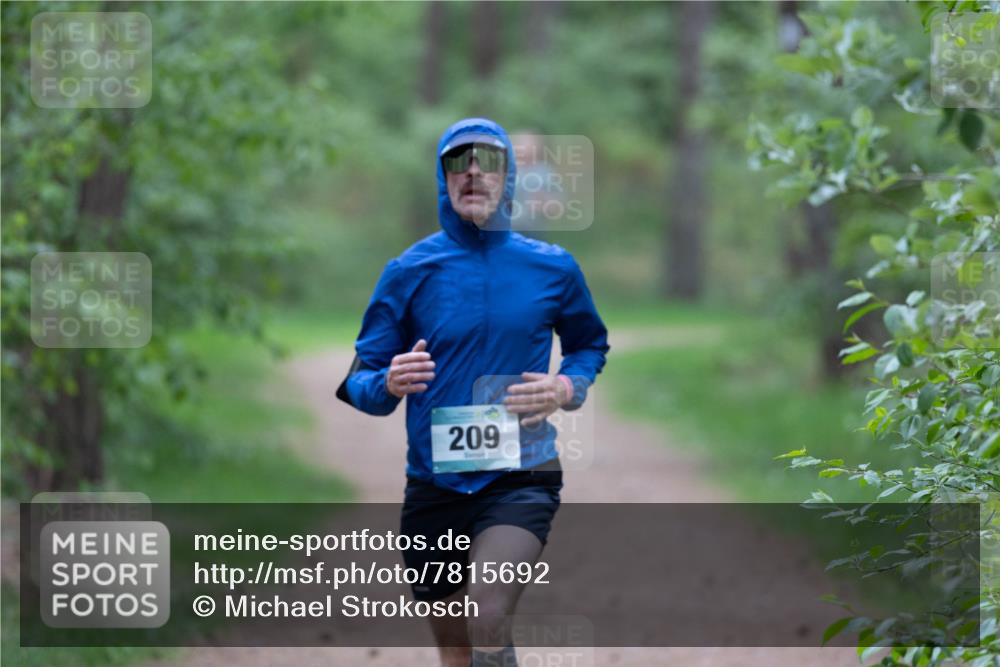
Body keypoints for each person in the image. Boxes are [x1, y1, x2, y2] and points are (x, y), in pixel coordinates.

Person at [336, 117, 609, 667]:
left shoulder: (552, 268)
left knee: (488, 608)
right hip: (433, 488)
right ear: (443, 178)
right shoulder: (408, 271)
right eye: (459, 162)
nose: (474, 173)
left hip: (521, 475)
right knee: (456, 644)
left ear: (509, 176)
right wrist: (386, 383)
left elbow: (589, 346)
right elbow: (357, 381)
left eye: (488, 160)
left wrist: (564, 386)